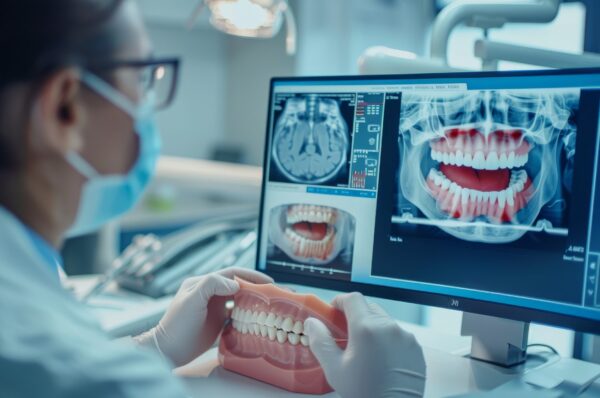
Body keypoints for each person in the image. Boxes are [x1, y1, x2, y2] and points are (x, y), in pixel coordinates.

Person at [0, 1, 426, 397]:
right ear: (65, 108)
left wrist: (155, 348)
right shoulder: (74, 369)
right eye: (142, 77)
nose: (148, 104)